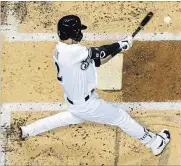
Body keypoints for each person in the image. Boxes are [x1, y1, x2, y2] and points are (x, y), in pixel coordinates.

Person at [19, 15, 170, 156]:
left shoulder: (61, 49)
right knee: (121, 117)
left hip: (75, 102)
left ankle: (27, 130)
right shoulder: (72, 52)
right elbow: (100, 52)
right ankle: (154, 142)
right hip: (86, 105)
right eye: (78, 30)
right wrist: (121, 44)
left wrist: (119, 48)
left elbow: (98, 60)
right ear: (74, 33)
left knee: (60, 119)